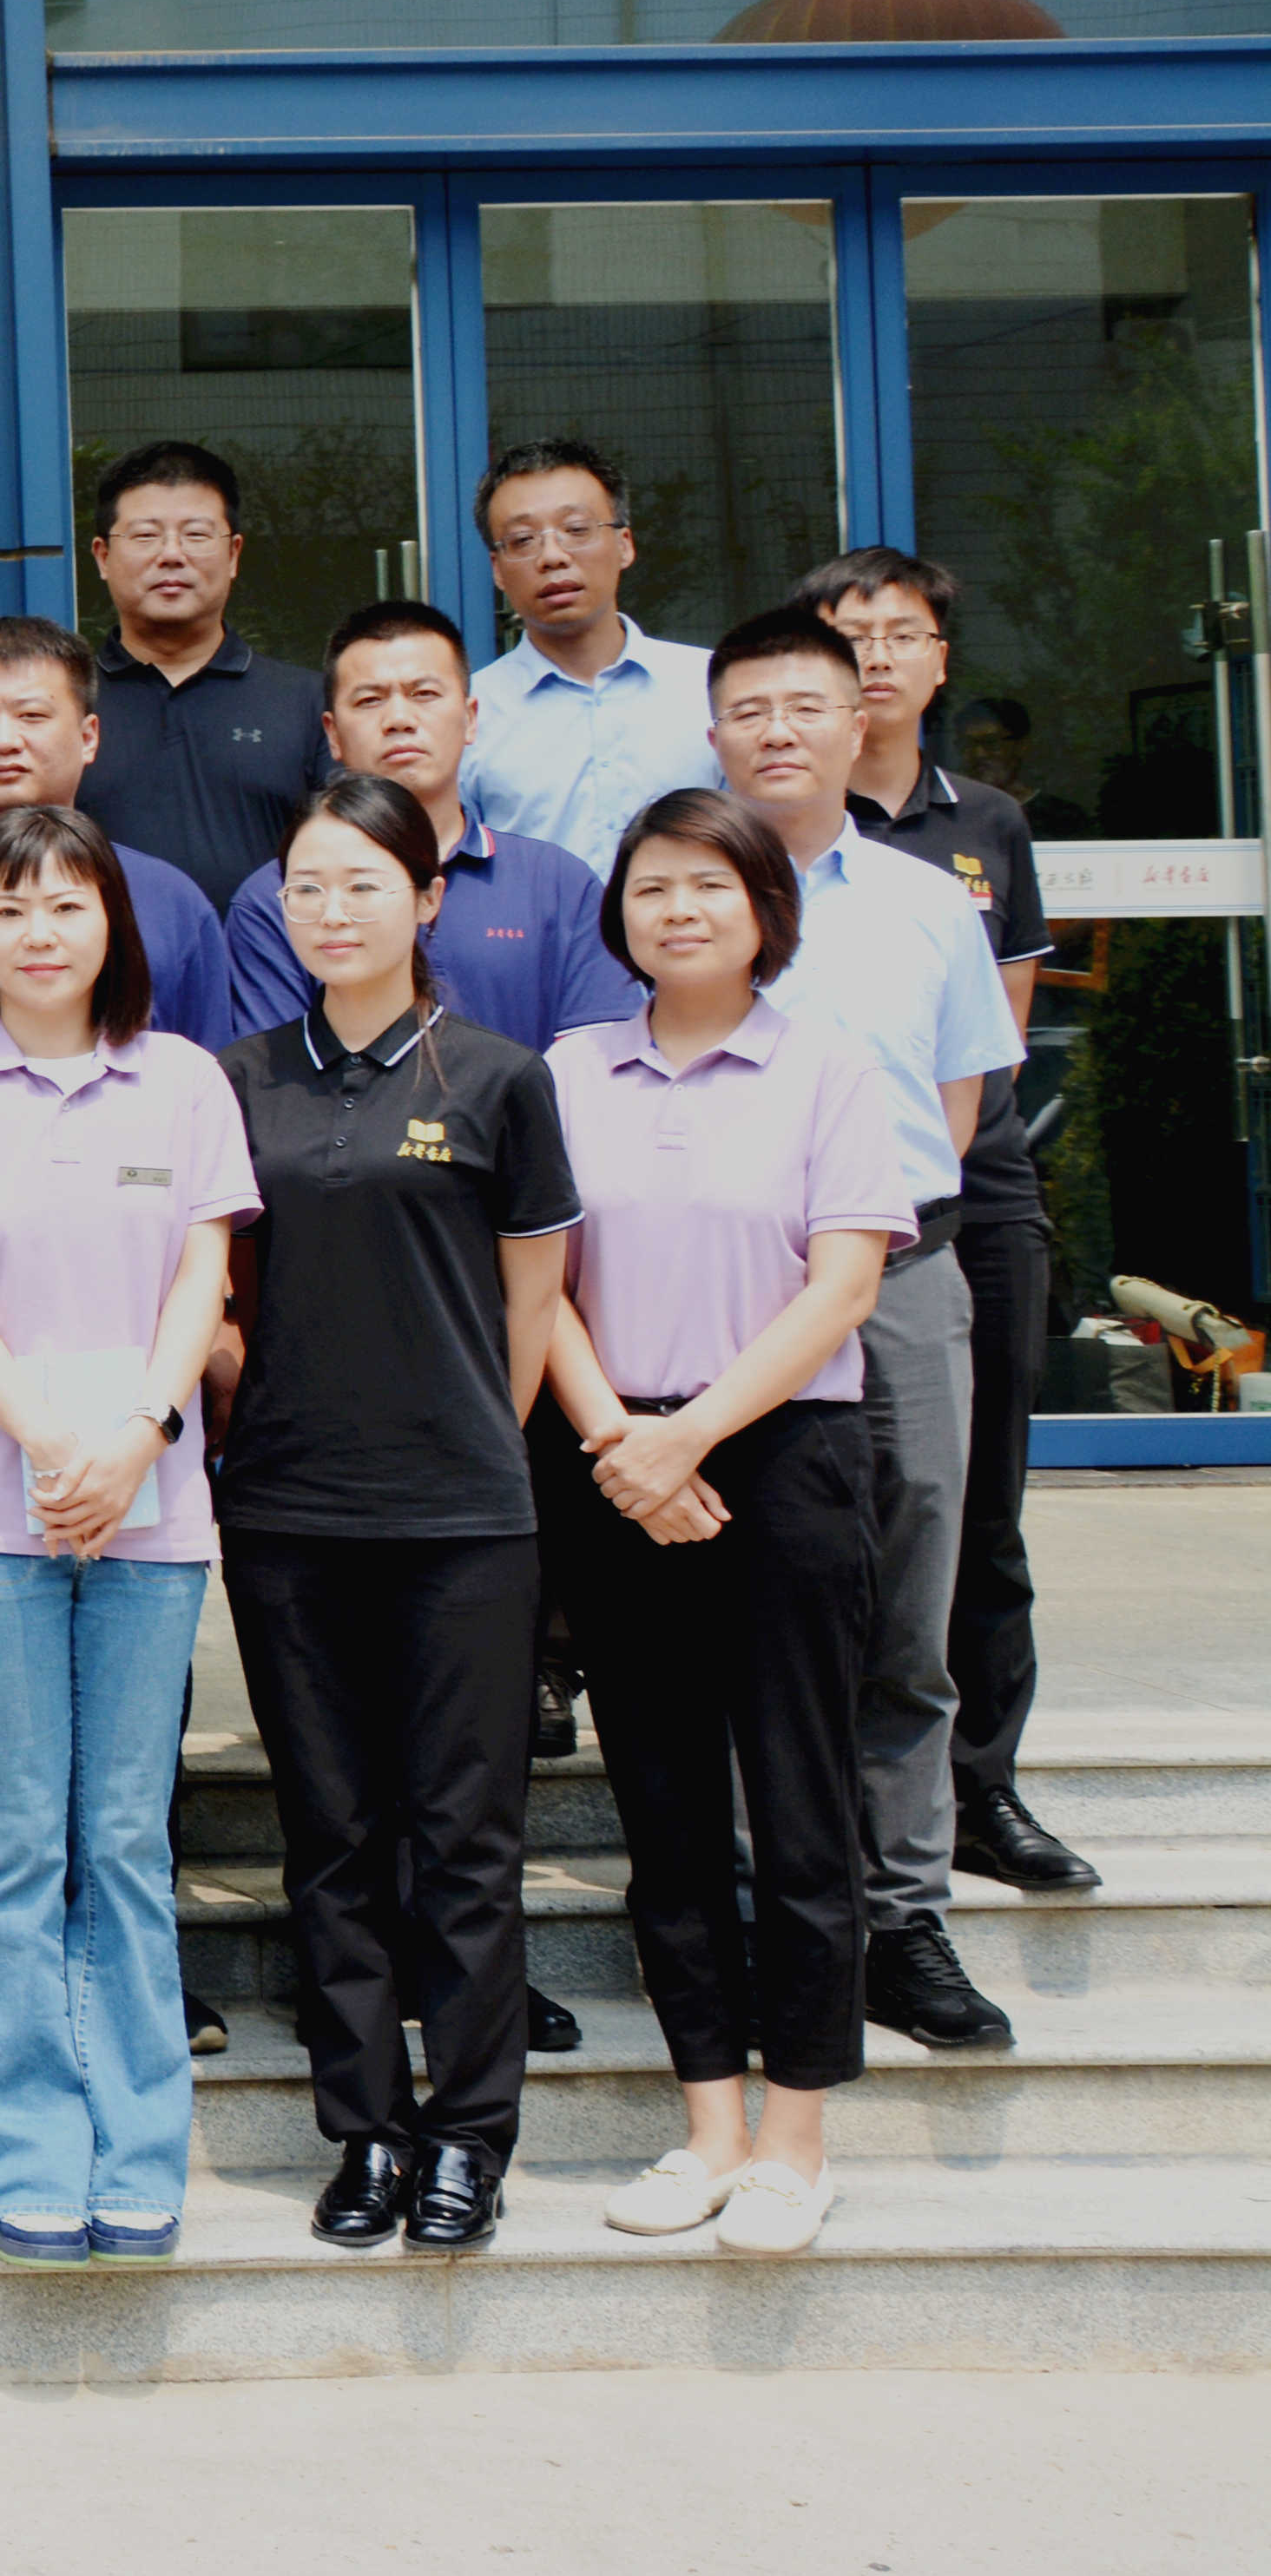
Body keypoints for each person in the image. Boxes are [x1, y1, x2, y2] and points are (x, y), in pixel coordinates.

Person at [0, 807, 252, 2268]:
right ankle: (29, 2156)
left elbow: (203, 1281)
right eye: (10, 908)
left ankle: (140, 2153)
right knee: (17, 1832)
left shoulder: (186, 1082)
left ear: (113, 925)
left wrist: (139, 1434)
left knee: (127, 1836)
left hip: (153, 1507)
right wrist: (43, 1441)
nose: (39, 933)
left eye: (67, 906)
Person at [541, 788, 915, 2259]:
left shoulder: (828, 1065)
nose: (679, 910)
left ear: (766, 907)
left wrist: (688, 1436)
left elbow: (845, 1285)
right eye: (653, 887)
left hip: (784, 1456)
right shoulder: (572, 1071)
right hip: (616, 1458)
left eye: (710, 884)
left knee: (802, 1808)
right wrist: (620, 1444)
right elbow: (539, 1285)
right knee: (666, 1808)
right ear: (619, 915)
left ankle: (794, 2140)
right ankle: (708, 2126)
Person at [218, 775, 580, 2256]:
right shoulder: (236, 1082)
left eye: (364, 883)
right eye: (307, 886)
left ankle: (469, 2137)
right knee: (334, 1836)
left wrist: (471, 1438)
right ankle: (364, 2128)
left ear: (426, 900)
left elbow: (535, 1301)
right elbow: (213, 1291)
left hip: (462, 1521)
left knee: (465, 1838)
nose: (333, 910)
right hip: (289, 1513)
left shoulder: (499, 1078)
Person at [702, 605, 1028, 2059]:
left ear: (860, 723)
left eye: (804, 707)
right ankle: (755, 1906)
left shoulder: (927, 905)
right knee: (737, 1608)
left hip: (898, 1284)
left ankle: (903, 1917)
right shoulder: (675, 891)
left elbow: (953, 1111)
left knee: (908, 1600)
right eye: (750, 710)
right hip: (721, 1297)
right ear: (714, 733)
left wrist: (859, 1235)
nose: (778, 731)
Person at [804, 546, 1089, 1899]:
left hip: (963, 1198)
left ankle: (985, 1788)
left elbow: (989, 1048)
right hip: (812, 1220)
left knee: (974, 1505)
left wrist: (927, 1186)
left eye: (899, 632)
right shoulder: (759, 835)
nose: (875, 654)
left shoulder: (986, 827)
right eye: (848, 632)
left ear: (939, 661)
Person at [219, 601, 645, 1053]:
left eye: (423, 694)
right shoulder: (280, 898)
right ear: (333, 734)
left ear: (471, 718)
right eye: (369, 700)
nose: (399, 720)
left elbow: (595, 1070)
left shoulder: (558, 885)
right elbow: (278, 1078)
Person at [0, 621, 234, 1055]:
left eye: (31, 716)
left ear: (88, 737)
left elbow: (210, 1071)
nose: (4, 741)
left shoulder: (169, 901)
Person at [79, 443, 332, 909]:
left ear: (234, 554)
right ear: (102, 556)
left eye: (196, 534)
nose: (171, 555)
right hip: (99, 957)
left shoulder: (310, 703)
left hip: (268, 956)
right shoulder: (65, 706)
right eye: (145, 536)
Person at [463, 440, 721, 874]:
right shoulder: (468, 714)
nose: (552, 557)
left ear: (624, 545)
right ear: (497, 569)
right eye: (523, 540)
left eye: (577, 529)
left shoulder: (709, 686)